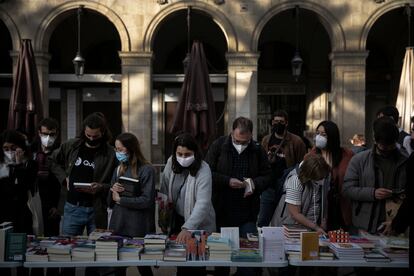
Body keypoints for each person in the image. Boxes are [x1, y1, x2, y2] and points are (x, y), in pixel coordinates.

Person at [205, 117, 271, 276]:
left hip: (247, 212)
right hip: (222, 210)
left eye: (245, 142)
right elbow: (207, 173)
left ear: (251, 136)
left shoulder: (257, 149)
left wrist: (253, 184)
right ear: (231, 133)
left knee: (248, 258)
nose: (241, 146)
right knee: (222, 258)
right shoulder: (219, 146)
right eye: (237, 141)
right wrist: (227, 181)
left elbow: (268, 176)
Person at [50, 112, 116, 236]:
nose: (91, 139)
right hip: (73, 207)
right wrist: (64, 178)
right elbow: (52, 160)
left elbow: (115, 181)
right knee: (67, 245)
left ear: (103, 133)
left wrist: (101, 187)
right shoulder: (71, 145)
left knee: (99, 248)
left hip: (97, 209)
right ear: (84, 131)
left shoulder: (111, 153)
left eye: (95, 136)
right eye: (88, 135)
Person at [160, 133, 216, 276]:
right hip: (177, 219)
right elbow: (164, 191)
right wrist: (163, 216)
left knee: (195, 264)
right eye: (180, 154)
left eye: (187, 154)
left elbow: (203, 203)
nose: (183, 158)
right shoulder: (170, 163)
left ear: (195, 153)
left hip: (198, 223)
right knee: (180, 261)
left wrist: (188, 228)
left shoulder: (204, 169)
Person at [343, 116, 407, 234]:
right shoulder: (359, 160)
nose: (386, 149)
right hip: (365, 224)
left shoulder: (405, 161)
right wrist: (372, 193)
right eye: (382, 146)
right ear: (375, 140)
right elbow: (347, 189)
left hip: (395, 224)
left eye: (390, 145)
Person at [108, 133, 155, 276]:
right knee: (118, 267)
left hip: (138, 226)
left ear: (131, 149)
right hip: (119, 224)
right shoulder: (119, 168)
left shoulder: (146, 169)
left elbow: (147, 200)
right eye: (116, 149)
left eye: (121, 150)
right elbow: (111, 199)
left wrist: (121, 200)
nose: (118, 153)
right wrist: (113, 190)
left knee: (143, 265)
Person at [259, 110, 306, 227]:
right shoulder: (266, 140)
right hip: (269, 185)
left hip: (286, 185)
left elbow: (301, 162)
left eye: (281, 122)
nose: (277, 124)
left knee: (283, 220)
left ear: (286, 123)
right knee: (263, 219)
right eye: (275, 121)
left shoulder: (296, 141)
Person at [306, 120, 353, 230]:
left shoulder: (347, 155)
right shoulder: (311, 156)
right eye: (317, 133)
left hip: (342, 206)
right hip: (319, 206)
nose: (319, 137)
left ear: (332, 137)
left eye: (323, 134)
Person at [272, 154, 331, 235]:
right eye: (319, 179)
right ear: (310, 176)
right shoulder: (295, 180)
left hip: (308, 228)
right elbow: (295, 214)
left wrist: (323, 219)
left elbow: (321, 201)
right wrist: (315, 227)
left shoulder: (321, 173)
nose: (322, 181)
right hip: (289, 229)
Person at [0, 130, 36, 233]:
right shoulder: (2, 165)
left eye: (13, 148)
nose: (9, 152)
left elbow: (25, 187)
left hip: (21, 216)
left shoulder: (29, 164)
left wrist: (19, 164)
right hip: (3, 215)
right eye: (6, 149)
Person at [31, 118, 61, 237]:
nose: (48, 138)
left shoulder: (60, 151)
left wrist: (57, 206)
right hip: (34, 198)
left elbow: (62, 181)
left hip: (52, 201)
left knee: (51, 235)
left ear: (56, 134)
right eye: (45, 134)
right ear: (39, 133)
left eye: (52, 134)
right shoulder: (31, 150)